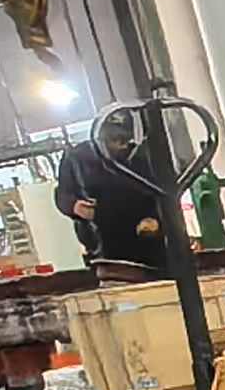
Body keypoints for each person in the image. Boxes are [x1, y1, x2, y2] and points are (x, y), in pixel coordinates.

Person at [50, 112, 181, 273]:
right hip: (102, 247)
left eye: (124, 139)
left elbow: (165, 193)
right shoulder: (76, 159)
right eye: (114, 140)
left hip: (148, 243)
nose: (121, 145)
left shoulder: (143, 156)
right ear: (99, 139)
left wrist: (156, 219)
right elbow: (62, 194)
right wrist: (74, 206)